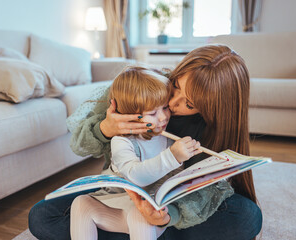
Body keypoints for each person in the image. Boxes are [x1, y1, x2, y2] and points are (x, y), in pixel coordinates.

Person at [29, 45, 263, 240]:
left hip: (168, 203)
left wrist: (169, 215)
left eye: (189, 105)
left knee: (246, 217)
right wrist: (106, 128)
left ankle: (144, 230)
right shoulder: (143, 86)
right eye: (177, 87)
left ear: (212, 110)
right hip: (122, 191)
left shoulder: (212, 127)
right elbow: (80, 146)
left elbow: (208, 190)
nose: (171, 104)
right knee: (43, 216)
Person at [70, 66, 234, 240]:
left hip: (151, 210)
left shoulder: (170, 140)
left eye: (164, 107)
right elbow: (135, 176)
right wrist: (173, 156)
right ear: (129, 114)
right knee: (80, 204)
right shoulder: (122, 140)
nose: (163, 117)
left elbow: (175, 181)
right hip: (117, 202)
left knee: (139, 216)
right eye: (153, 113)